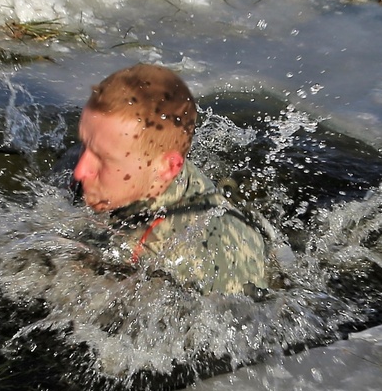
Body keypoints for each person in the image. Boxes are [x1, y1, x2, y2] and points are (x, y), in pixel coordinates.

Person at [72, 63, 268, 296]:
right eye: (84, 144)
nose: (79, 170)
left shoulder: (166, 260)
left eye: (104, 159)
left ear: (167, 168)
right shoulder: (153, 165)